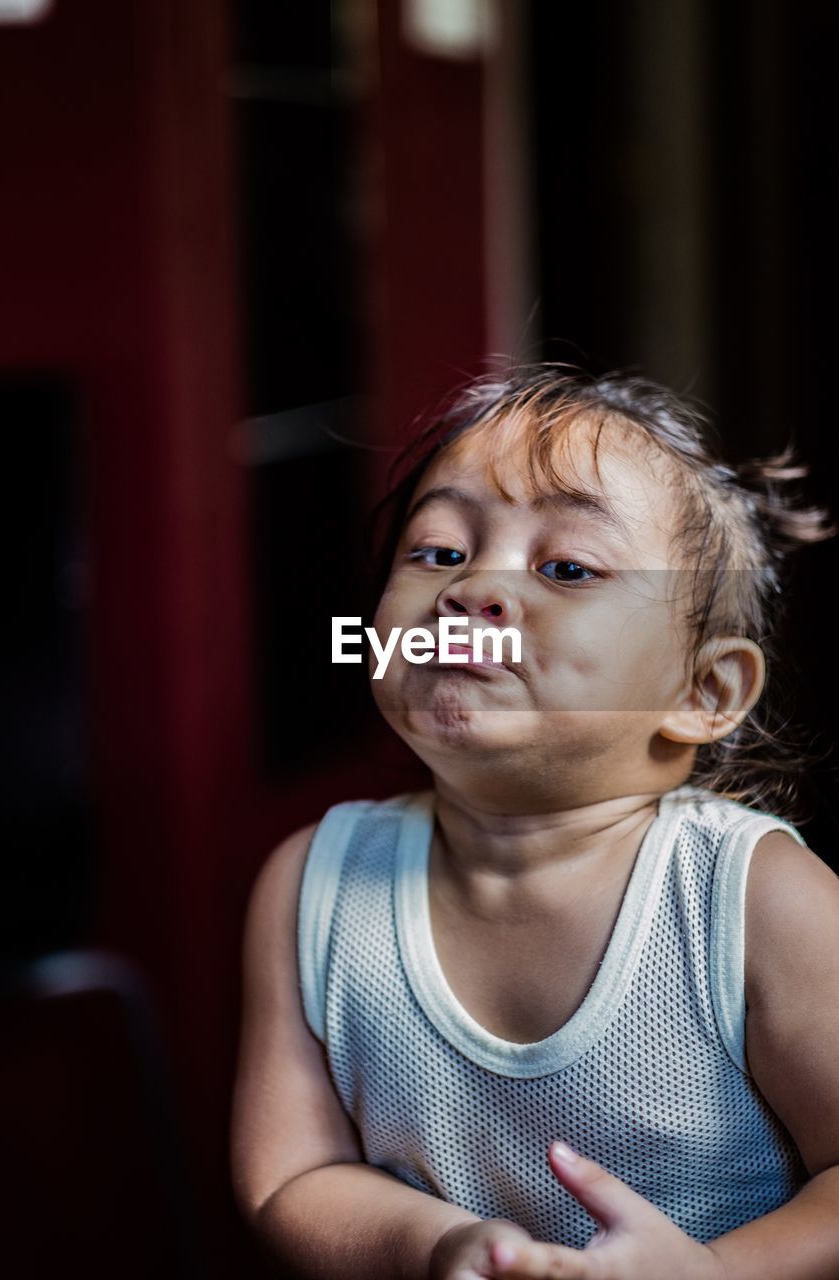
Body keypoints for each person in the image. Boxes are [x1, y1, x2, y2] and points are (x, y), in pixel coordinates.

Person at [230, 365, 839, 1279]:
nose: (472, 589)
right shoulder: (311, 886)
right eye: (437, 551)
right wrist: (437, 1244)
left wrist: (713, 1275)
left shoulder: (755, 899)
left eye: (565, 567)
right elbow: (292, 1176)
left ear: (703, 691)